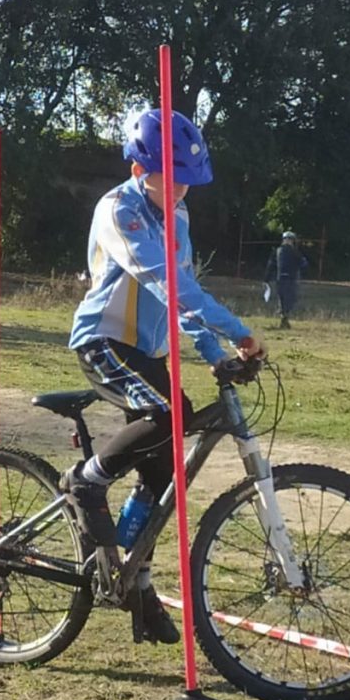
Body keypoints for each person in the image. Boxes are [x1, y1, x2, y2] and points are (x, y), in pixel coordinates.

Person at [64, 108, 266, 644]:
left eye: (188, 184)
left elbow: (184, 300)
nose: (180, 192)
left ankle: (136, 581)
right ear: (139, 169)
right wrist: (240, 329)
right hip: (105, 341)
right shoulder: (119, 209)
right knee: (169, 415)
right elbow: (164, 283)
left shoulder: (177, 218)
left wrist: (213, 351)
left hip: (148, 350)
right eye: (171, 180)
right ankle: (85, 482)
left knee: (162, 474)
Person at [265, 230, 307, 329]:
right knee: (290, 299)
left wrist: (266, 278)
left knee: (282, 299)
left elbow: (271, 265)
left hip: (280, 279)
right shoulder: (295, 252)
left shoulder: (277, 251)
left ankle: (283, 318)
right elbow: (304, 264)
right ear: (292, 240)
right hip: (291, 279)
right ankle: (285, 319)